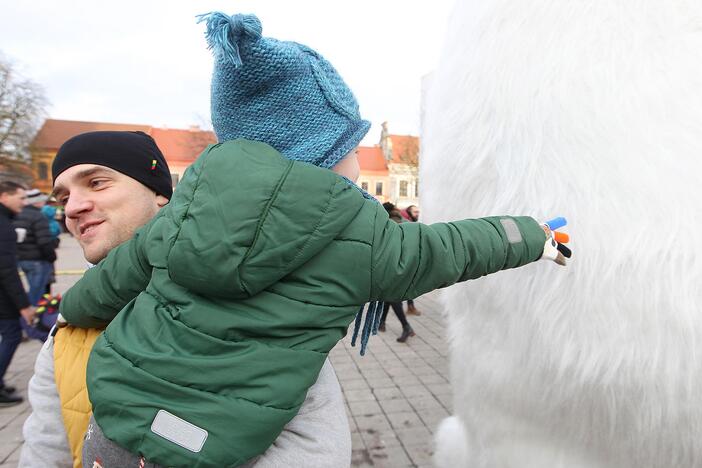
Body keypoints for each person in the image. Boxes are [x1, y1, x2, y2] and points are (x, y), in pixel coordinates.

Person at [56, 12, 570, 468]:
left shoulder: (183, 211)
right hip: (208, 444)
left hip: (113, 410)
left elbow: (115, 281)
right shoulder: (360, 232)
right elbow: (451, 248)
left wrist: (69, 309)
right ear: (324, 150)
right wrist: (535, 233)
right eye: (350, 144)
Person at [19, 131, 351, 467]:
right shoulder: (66, 330)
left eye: (97, 182)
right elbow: (44, 452)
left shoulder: (246, 295)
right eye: (63, 198)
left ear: (161, 195)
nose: (73, 208)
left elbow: (317, 450)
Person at [0, 181, 35, 406]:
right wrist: (24, 305)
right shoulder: (3, 225)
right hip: (3, 293)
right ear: (4, 196)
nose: (24, 202)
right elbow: (6, 268)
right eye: (20, 197)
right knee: (12, 333)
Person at [377, 205, 415, 342]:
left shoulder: (389, 223)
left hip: (394, 266)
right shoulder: (402, 220)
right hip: (403, 265)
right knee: (388, 297)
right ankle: (381, 323)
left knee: (392, 298)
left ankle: (406, 327)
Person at [13, 188, 57, 305]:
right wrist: (52, 256)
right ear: (37, 202)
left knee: (32, 287)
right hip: (37, 259)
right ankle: (35, 315)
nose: (43, 203)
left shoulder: (16, 214)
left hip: (21, 258)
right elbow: (44, 241)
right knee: (37, 290)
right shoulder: (38, 216)